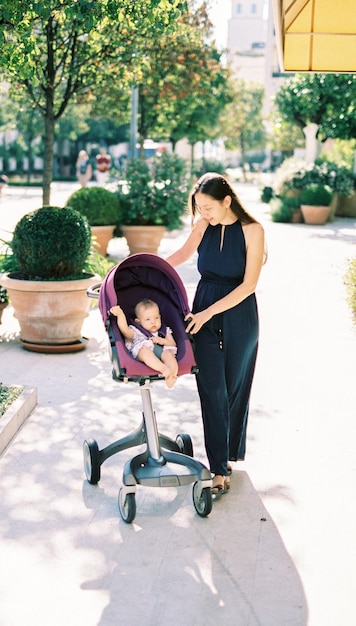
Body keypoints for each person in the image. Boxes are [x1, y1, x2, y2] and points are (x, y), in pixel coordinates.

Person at [166, 173, 266, 496]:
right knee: (212, 392)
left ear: (227, 201)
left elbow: (248, 285)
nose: (204, 214)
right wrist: (145, 267)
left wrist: (209, 312)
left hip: (239, 315)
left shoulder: (253, 231)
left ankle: (227, 457)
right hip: (203, 314)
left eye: (208, 208)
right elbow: (181, 255)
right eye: (199, 209)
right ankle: (218, 468)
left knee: (235, 390)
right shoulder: (204, 226)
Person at [110, 299, 178, 389]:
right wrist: (120, 315)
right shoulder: (136, 331)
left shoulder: (164, 330)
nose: (153, 322)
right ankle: (164, 369)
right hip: (143, 352)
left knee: (169, 355)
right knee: (145, 352)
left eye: (156, 318)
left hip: (161, 351)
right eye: (148, 319)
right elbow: (124, 330)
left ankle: (172, 376)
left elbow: (172, 344)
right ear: (138, 321)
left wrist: (162, 341)